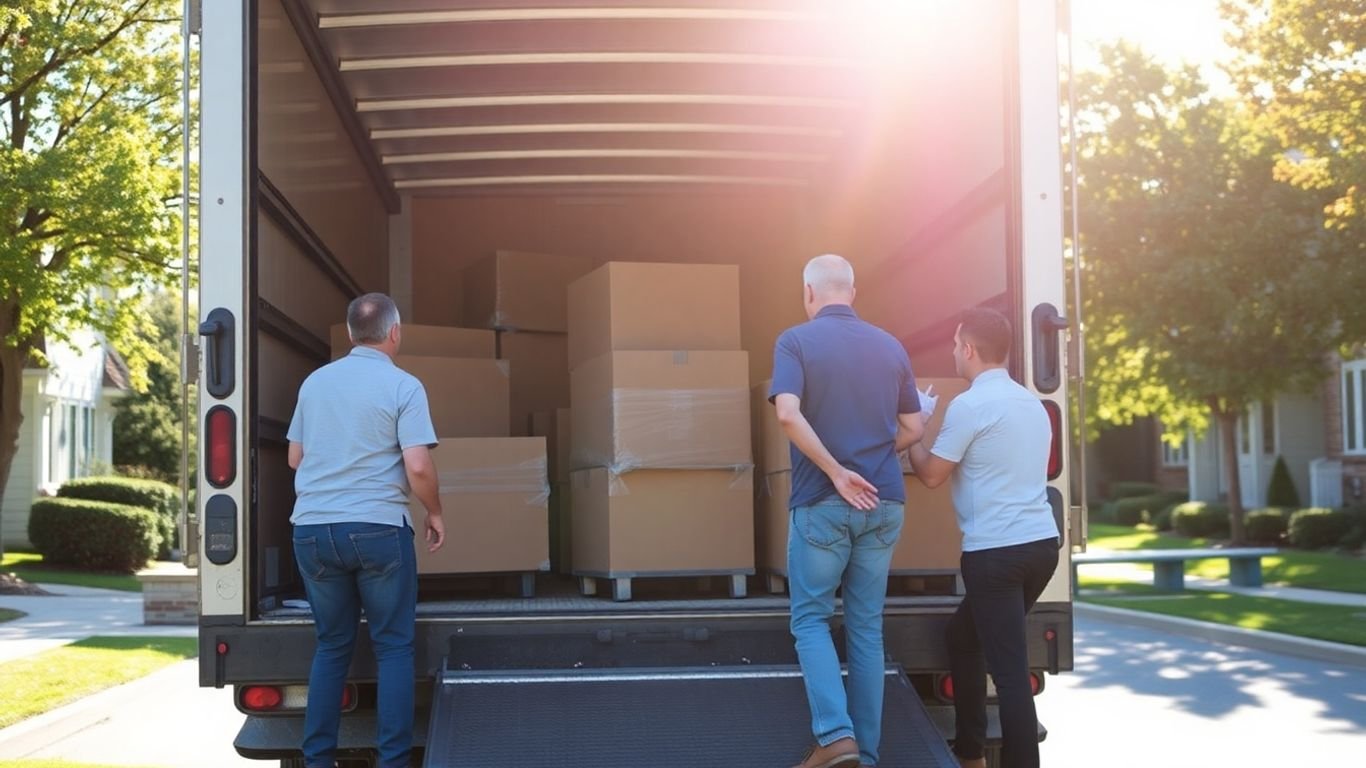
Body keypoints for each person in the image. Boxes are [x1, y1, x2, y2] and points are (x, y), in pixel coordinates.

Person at [770, 254, 926, 768]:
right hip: (883, 505)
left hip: (824, 504)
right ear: (852, 293)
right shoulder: (891, 346)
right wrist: (875, 458)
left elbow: (788, 414)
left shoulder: (795, 341)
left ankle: (837, 738)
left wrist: (837, 471)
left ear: (809, 293)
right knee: (865, 627)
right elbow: (914, 428)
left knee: (811, 620)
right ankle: (869, 755)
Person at [286, 293, 446, 768]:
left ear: (352, 333)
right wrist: (435, 512)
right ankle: (392, 762)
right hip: (377, 528)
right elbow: (418, 466)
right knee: (393, 647)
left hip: (312, 531)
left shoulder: (314, 383)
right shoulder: (404, 386)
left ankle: (318, 760)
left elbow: (295, 457)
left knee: (332, 645)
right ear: (395, 333)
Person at [905, 307, 1060, 768]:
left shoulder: (970, 406)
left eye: (955, 345)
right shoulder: (1032, 402)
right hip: (1041, 550)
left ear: (968, 349)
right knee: (963, 635)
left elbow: (932, 474)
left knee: (1010, 672)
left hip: (995, 555)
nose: (954, 352)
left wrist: (915, 431)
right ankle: (970, 752)